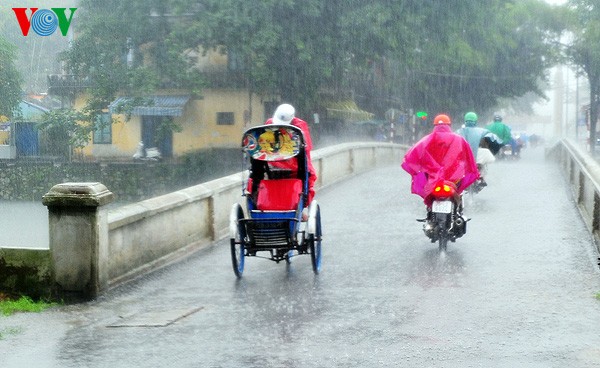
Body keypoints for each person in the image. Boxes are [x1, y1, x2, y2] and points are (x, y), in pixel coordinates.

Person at [401, 113, 479, 212]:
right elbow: (468, 158)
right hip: (453, 181)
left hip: (434, 181)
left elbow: (411, 156)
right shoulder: (459, 140)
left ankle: (430, 215)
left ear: (434, 126)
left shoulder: (426, 140)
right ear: (449, 125)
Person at [263, 103, 317, 212]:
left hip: (288, 162)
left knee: (305, 174)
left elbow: (305, 150)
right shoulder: (271, 123)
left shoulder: (300, 126)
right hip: (278, 162)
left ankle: (297, 207)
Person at [455, 111, 498, 188]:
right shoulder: (482, 131)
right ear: (476, 121)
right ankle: (481, 178)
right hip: (476, 156)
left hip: (463, 156)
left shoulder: (458, 131)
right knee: (483, 162)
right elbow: (487, 142)